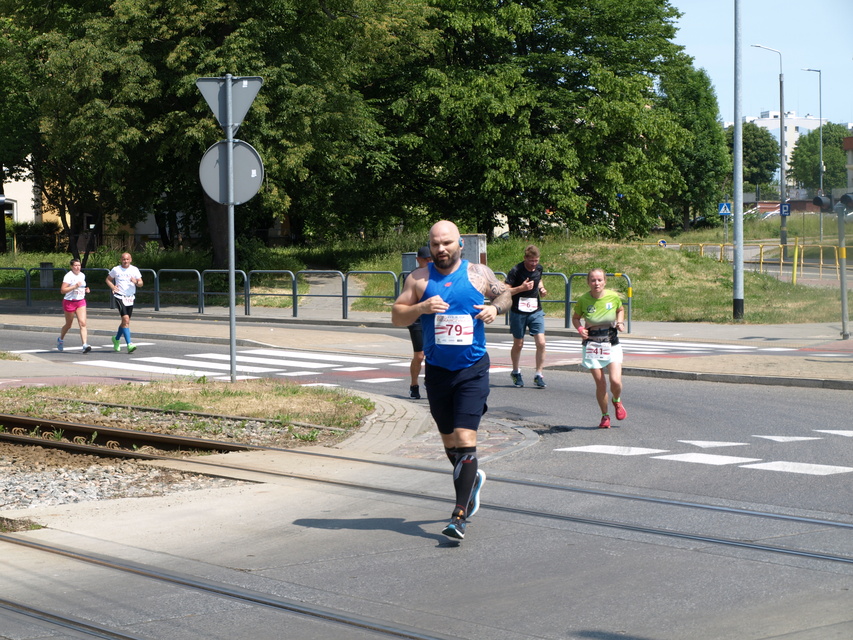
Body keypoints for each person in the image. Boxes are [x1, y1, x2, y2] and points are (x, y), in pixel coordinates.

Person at [392, 221, 512, 541]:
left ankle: (459, 515)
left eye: (446, 243)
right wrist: (421, 307)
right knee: (450, 443)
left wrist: (495, 309)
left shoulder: (477, 274)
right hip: (438, 371)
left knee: (464, 437)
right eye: (435, 244)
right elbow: (397, 316)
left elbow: (505, 295)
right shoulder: (419, 278)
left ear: (460, 244)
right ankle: (471, 481)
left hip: (472, 368)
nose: (441, 249)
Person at [571, 268, 627, 429]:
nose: (596, 283)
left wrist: (620, 322)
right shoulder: (583, 300)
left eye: (599, 280)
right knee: (601, 384)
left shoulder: (613, 297)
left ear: (605, 282)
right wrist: (580, 329)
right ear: (588, 282)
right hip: (592, 345)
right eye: (593, 280)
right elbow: (576, 318)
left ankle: (616, 400)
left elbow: (620, 309)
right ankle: (605, 416)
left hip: (611, 343)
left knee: (615, 381)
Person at [505, 244, 548, 388]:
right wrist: (521, 288)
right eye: (531, 261)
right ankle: (515, 372)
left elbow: (539, 279)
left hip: (535, 310)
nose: (534, 264)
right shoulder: (516, 271)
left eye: (536, 261)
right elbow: (506, 291)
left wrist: (541, 288)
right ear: (525, 258)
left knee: (541, 342)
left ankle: (538, 375)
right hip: (518, 311)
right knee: (519, 344)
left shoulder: (539, 268)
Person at [406, 245, 432, 399]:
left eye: (431, 259)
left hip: (433, 318)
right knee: (420, 355)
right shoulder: (413, 277)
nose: (429, 262)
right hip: (416, 319)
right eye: (426, 259)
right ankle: (414, 385)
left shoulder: (437, 275)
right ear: (418, 260)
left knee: (433, 354)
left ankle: (430, 381)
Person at [106, 252, 143, 353]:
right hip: (119, 296)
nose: (125, 261)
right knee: (125, 319)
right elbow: (108, 279)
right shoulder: (116, 269)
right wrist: (113, 287)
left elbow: (141, 283)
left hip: (130, 298)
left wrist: (136, 282)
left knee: (125, 322)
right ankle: (129, 344)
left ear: (130, 260)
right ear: (121, 260)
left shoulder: (134, 269)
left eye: (127, 259)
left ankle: (116, 339)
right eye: (123, 259)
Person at [57, 258, 92, 353]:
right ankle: (60, 339)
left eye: (79, 265)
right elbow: (62, 290)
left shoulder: (82, 275)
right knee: (69, 325)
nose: (77, 267)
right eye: (75, 265)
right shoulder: (68, 276)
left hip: (80, 301)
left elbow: (82, 286)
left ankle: (84, 345)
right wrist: (74, 286)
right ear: (71, 267)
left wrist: (86, 289)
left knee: (83, 323)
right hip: (69, 302)